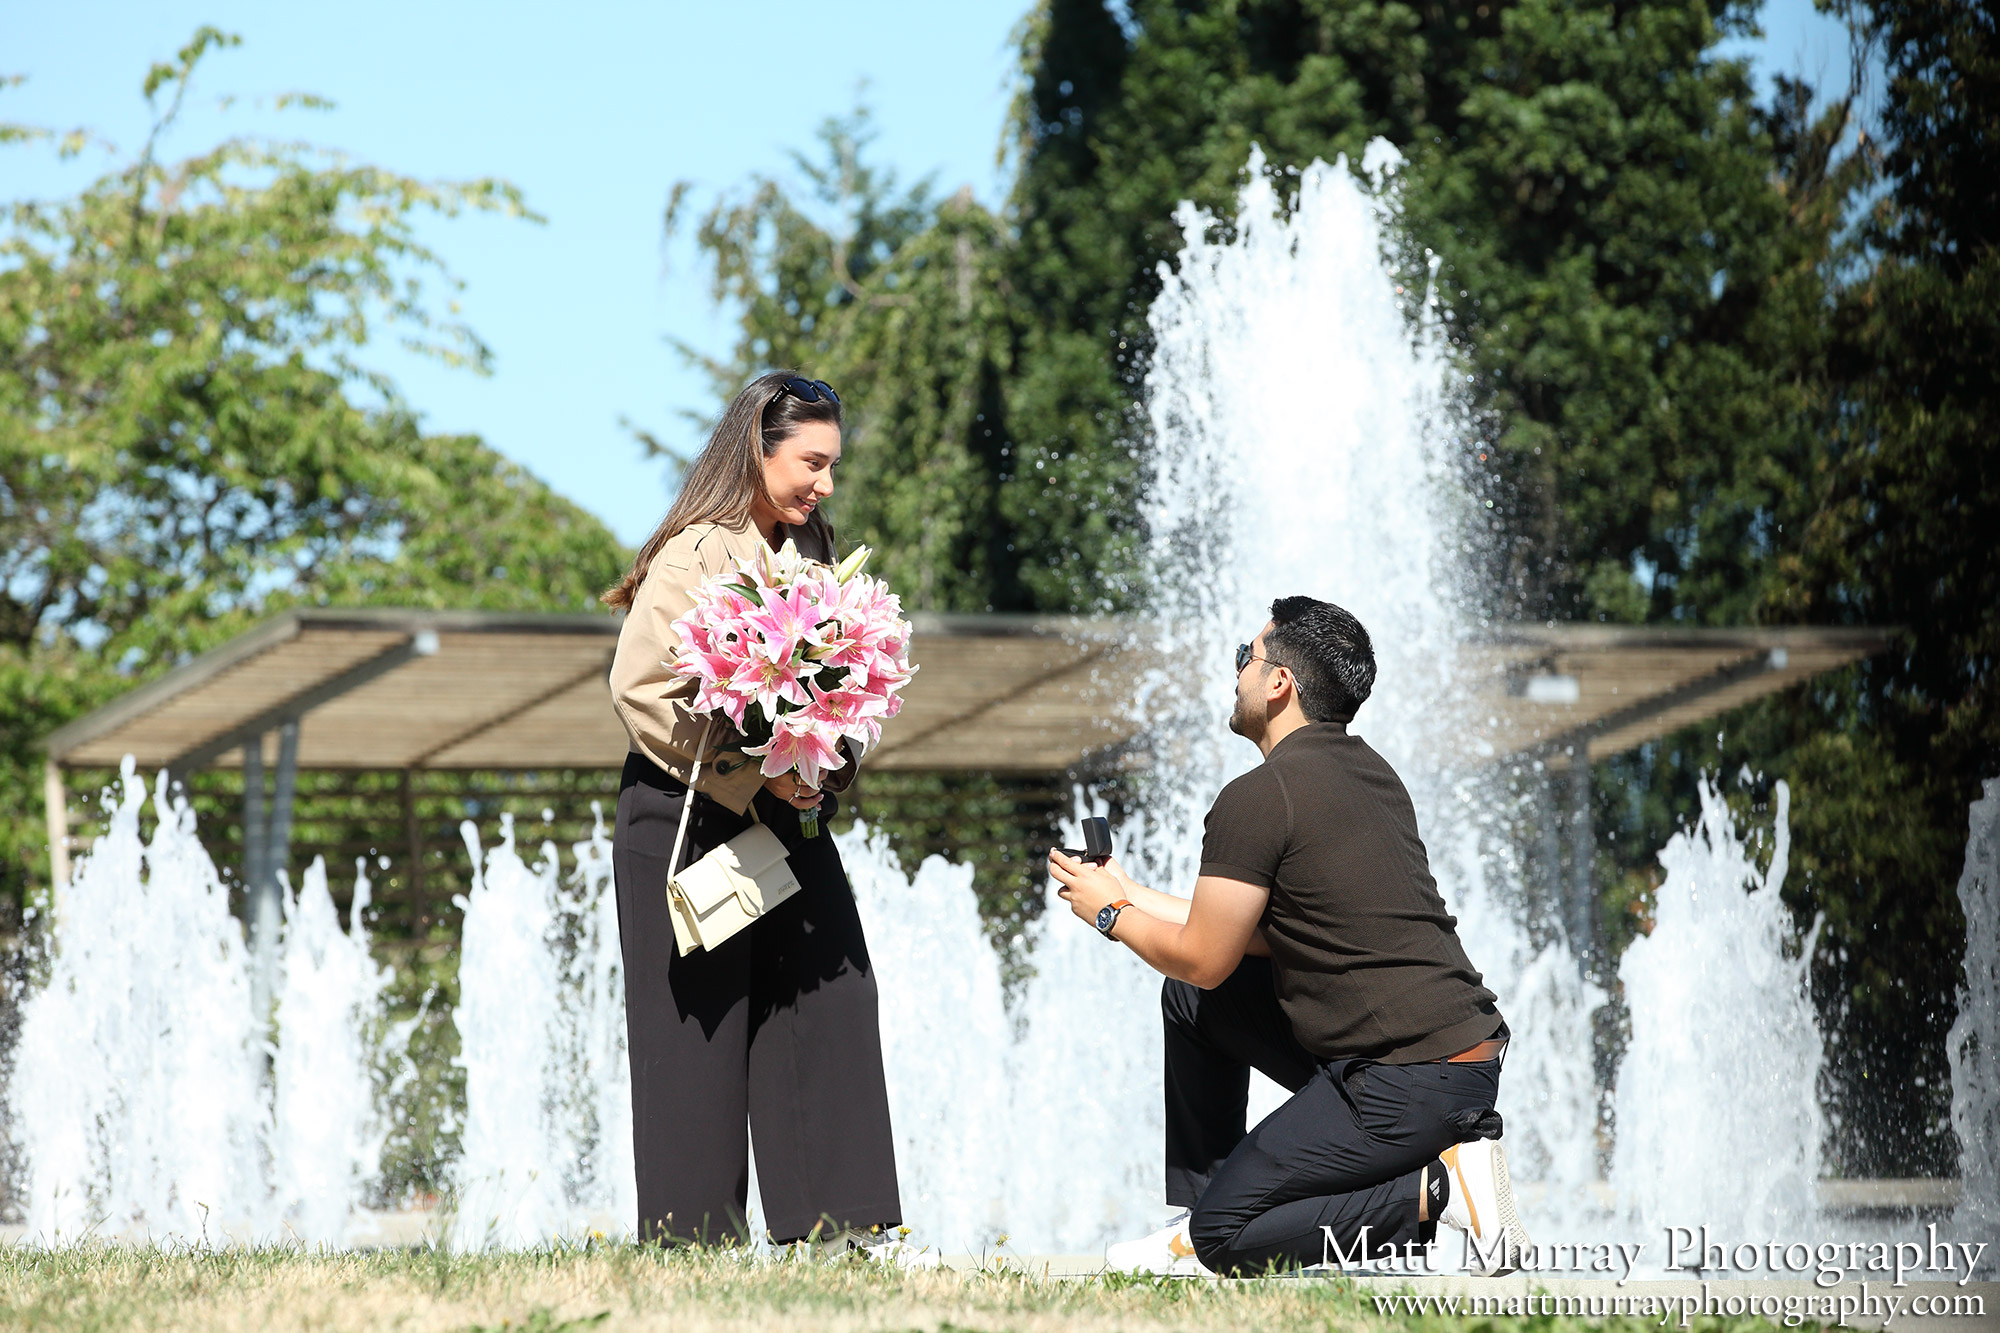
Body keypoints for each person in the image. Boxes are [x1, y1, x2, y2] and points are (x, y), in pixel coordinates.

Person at [1048, 596, 1533, 1277]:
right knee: (1191, 1004)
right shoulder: (1370, 774)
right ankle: (1189, 1222)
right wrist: (1124, 890)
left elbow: (1206, 957)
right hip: (1459, 1066)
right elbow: (1253, 934)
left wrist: (1110, 916)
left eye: (1243, 658)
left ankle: (1440, 1191)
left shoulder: (1258, 795)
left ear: (1278, 682)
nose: (1236, 673)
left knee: (1229, 1232)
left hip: (1402, 1081)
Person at [603, 370, 923, 1263]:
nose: (825, 484)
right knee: (694, 1033)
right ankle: (689, 1248)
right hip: (683, 810)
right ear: (758, 447)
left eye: (831, 465)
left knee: (831, 989)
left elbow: (835, 687)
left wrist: (824, 755)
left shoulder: (810, 551)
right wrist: (755, 770)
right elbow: (637, 688)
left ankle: (839, 1233)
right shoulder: (695, 553)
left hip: (784, 814)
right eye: (811, 462)